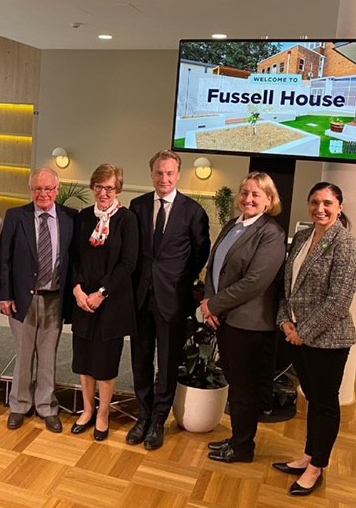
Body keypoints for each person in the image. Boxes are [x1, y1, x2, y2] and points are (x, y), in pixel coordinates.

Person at [273, 182, 356, 496]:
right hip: (296, 335)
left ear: (339, 207)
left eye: (327, 203)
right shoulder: (305, 237)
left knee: (325, 404)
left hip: (328, 340)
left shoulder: (346, 243)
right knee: (311, 400)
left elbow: (339, 300)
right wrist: (285, 322)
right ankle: (308, 455)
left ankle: (317, 467)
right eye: (314, 202)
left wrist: (302, 332)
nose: (320, 209)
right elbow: (287, 286)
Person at [201, 172, 286, 464]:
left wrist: (214, 305)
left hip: (249, 324)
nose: (248, 199)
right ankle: (238, 438)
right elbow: (215, 266)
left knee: (245, 388)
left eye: (256, 195)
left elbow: (255, 282)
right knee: (236, 385)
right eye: (245, 193)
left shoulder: (271, 233)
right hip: (228, 318)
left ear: (269, 200)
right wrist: (209, 300)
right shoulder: (233, 225)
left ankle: (243, 448)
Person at [128, 150, 210, 450]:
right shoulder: (136, 206)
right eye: (159, 173)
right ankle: (143, 415)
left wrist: (180, 282)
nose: (164, 178)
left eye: (170, 173)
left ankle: (158, 421)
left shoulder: (193, 211)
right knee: (140, 360)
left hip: (173, 298)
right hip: (140, 298)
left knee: (167, 362)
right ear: (152, 174)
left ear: (178, 174)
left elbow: (201, 253)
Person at [0, 168, 76, 433]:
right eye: (37, 189)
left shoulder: (69, 218)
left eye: (48, 189)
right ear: (30, 191)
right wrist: (5, 295)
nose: (43, 194)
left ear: (57, 190)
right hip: (22, 298)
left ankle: (46, 406)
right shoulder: (15, 216)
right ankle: (19, 405)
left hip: (55, 297)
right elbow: (5, 260)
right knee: (23, 355)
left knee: (48, 355)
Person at [70, 164, 138, 441]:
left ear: (118, 189)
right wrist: (77, 290)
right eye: (99, 186)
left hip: (111, 302)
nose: (103, 192)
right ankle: (87, 410)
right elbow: (73, 257)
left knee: (106, 363)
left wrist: (102, 292)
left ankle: (103, 414)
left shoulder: (127, 219)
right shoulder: (83, 217)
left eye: (109, 187)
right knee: (85, 360)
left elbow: (128, 263)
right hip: (84, 301)